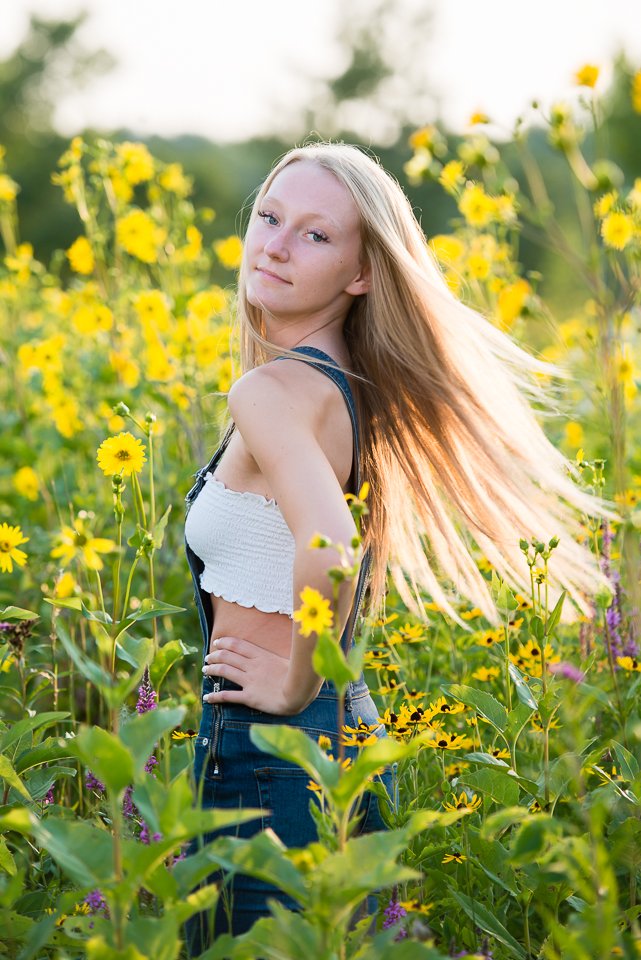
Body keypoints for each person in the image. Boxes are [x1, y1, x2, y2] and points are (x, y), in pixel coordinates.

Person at [182, 141, 618, 950]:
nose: (274, 244)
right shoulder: (343, 384)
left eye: (314, 235)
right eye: (270, 218)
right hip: (337, 748)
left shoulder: (272, 391)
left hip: (265, 757)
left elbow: (331, 545)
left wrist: (289, 685)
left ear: (361, 274)